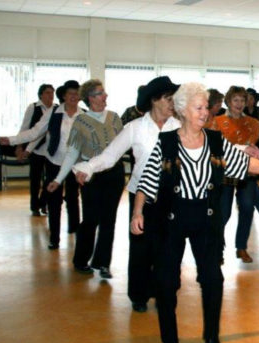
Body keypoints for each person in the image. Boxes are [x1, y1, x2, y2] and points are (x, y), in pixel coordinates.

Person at [132, 82, 259, 343]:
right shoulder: (166, 142)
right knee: (166, 281)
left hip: (206, 218)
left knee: (212, 279)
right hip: (171, 219)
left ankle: (211, 336)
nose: (205, 113)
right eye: (198, 108)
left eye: (205, 108)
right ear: (182, 110)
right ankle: (169, 338)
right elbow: (147, 181)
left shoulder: (215, 141)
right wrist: (138, 212)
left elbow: (245, 163)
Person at [72, 76, 181, 312]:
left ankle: (161, 290)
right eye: (168, 99)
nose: (173, 103)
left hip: (171, 196)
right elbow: (110, 156)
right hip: (142, 196)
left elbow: (208, 147)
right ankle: (138, 295)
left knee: (167, 247)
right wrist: (88, 167)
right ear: (154, 100)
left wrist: (244, 150)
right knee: (141, 247)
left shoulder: (179, 126)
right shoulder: (135, 128)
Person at [48, 79, 124, 278]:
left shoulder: (115, 118)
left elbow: (123, 145)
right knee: (91, 219)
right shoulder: (80, 122)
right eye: (100, 93)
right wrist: (58, 179)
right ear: (90, 98)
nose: (105, 96)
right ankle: (81, 259)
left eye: (104, 92)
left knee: (109, 220)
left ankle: (103, 263)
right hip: (89, 175)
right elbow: (72, 154)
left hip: (114, 174)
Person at [0, 80, 82, 250]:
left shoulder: (84, 115)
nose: (74, 96)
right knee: (54, 201)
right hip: (54, 162)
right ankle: (54, 238)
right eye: (70, 93)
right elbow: (35, 132)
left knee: (73, 198)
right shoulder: (54, 113)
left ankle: (74, 230)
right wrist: (13, 140)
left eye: (77, 93)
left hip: (75, 165)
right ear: (64, 96)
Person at [207, 86, 259, 264]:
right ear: (228, 102)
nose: (239, 104)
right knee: (223, 213)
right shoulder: (216, 122)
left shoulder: (253, 123)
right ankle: (217, 248)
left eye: (242, 100)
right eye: (236, 100)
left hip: (247, 172)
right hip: (224, 173)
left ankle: (241, 248)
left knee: (247, 208)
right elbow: (213, 146)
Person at [18, 83, 56, 217]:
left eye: (52, 93)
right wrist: (19, 146)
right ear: (41, 95)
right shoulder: (33, 107)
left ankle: (44, 202)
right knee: (35, 179)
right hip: (36, 149)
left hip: (51, 150)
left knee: (50, 178)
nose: (50, 95)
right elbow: (25, 128)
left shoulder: (57, 109)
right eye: (47, 93)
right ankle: (34, 206)